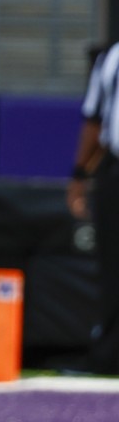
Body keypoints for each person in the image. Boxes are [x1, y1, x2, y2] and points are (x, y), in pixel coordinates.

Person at [67, 41, 119, 375]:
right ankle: (109, 357)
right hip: (116, 170)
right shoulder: (113, 57)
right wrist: (79, 176)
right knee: (113, 266)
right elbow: (95, 122)